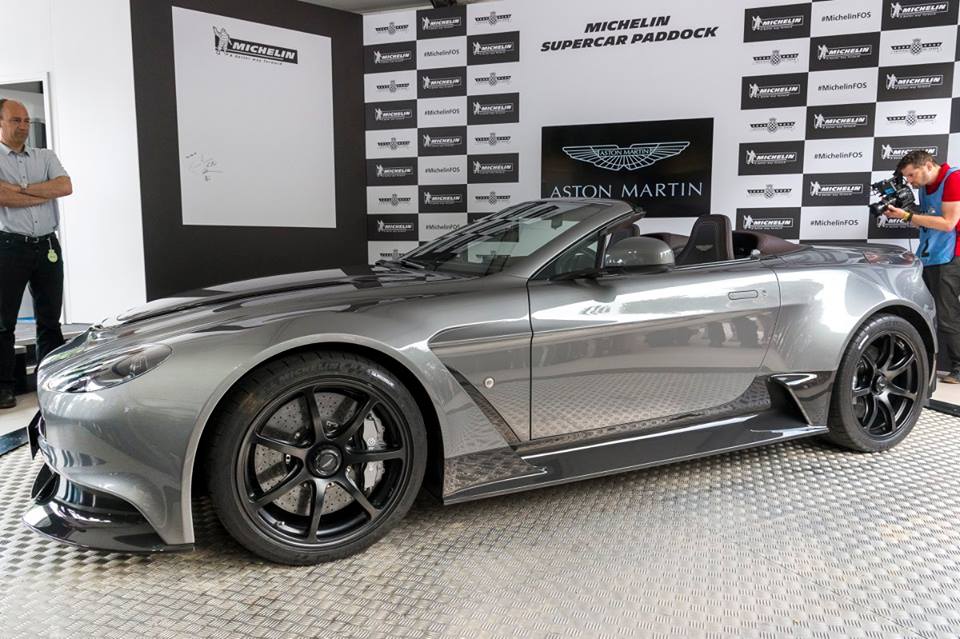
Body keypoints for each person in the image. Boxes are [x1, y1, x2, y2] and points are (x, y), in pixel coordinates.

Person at [0, 99, 72, 407]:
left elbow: (65, 186)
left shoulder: (45, 156)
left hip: (47, 246)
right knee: (3, 322)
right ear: (0, 123)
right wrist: (42, 190)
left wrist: (16, 190)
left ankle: (50, 382)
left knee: (50, 320)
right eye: (16, 120)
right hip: (8, 247)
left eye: (26, 120)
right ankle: (3, 388)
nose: (23, 126)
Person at [883, 149, 960, 382]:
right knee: (931, 312)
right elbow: (927, 223)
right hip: (931, 255)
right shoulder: (925, 187)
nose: (909, 181)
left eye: (912, 175)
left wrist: (907, 216)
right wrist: (903, 213)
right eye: (907, 177)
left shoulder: (954, 178)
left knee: (947, 314)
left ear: (927, 165)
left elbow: (948, 223)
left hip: (952, 256)